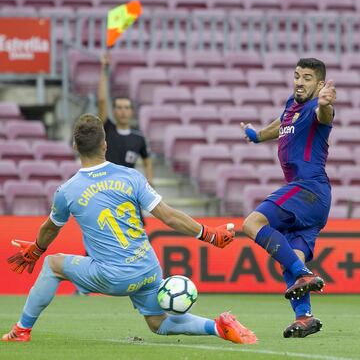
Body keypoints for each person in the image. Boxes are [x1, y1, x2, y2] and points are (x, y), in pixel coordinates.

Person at [2, 114, 257, 345]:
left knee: (52, 264)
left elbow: (50, 229)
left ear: (75, 147)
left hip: (113, 277)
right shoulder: (131, 176)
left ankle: (22, 329)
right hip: (147, 267)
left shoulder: (67, 191)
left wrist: (36, 249)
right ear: (105, 145)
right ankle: (217, 326)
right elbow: (167, 216)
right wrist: (208, 234)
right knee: (157, 322)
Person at [240, 58, 336, 338]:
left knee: (252, 223)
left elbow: (324, 114)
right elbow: (281, 124)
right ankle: (304, 317)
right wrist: (256, 136)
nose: (299, 82)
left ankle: (304, 273)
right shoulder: (290, 106)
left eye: (307, 78)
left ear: (319, 85)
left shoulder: (315, 108)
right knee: (290, 258)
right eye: (297, 76)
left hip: (308, 188)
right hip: (315, 202)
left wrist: (326, 103)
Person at [98, 52, 153, 186]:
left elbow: (147, 160)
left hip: (127, 187)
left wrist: (150, 181)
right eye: (119, 107)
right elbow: (102, 100)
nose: (123, 111)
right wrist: (104, 70)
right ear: (114, 111)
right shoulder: (107, 129)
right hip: (106, 184)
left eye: (127, 108)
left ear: (132, 111)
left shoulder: (138, 138)